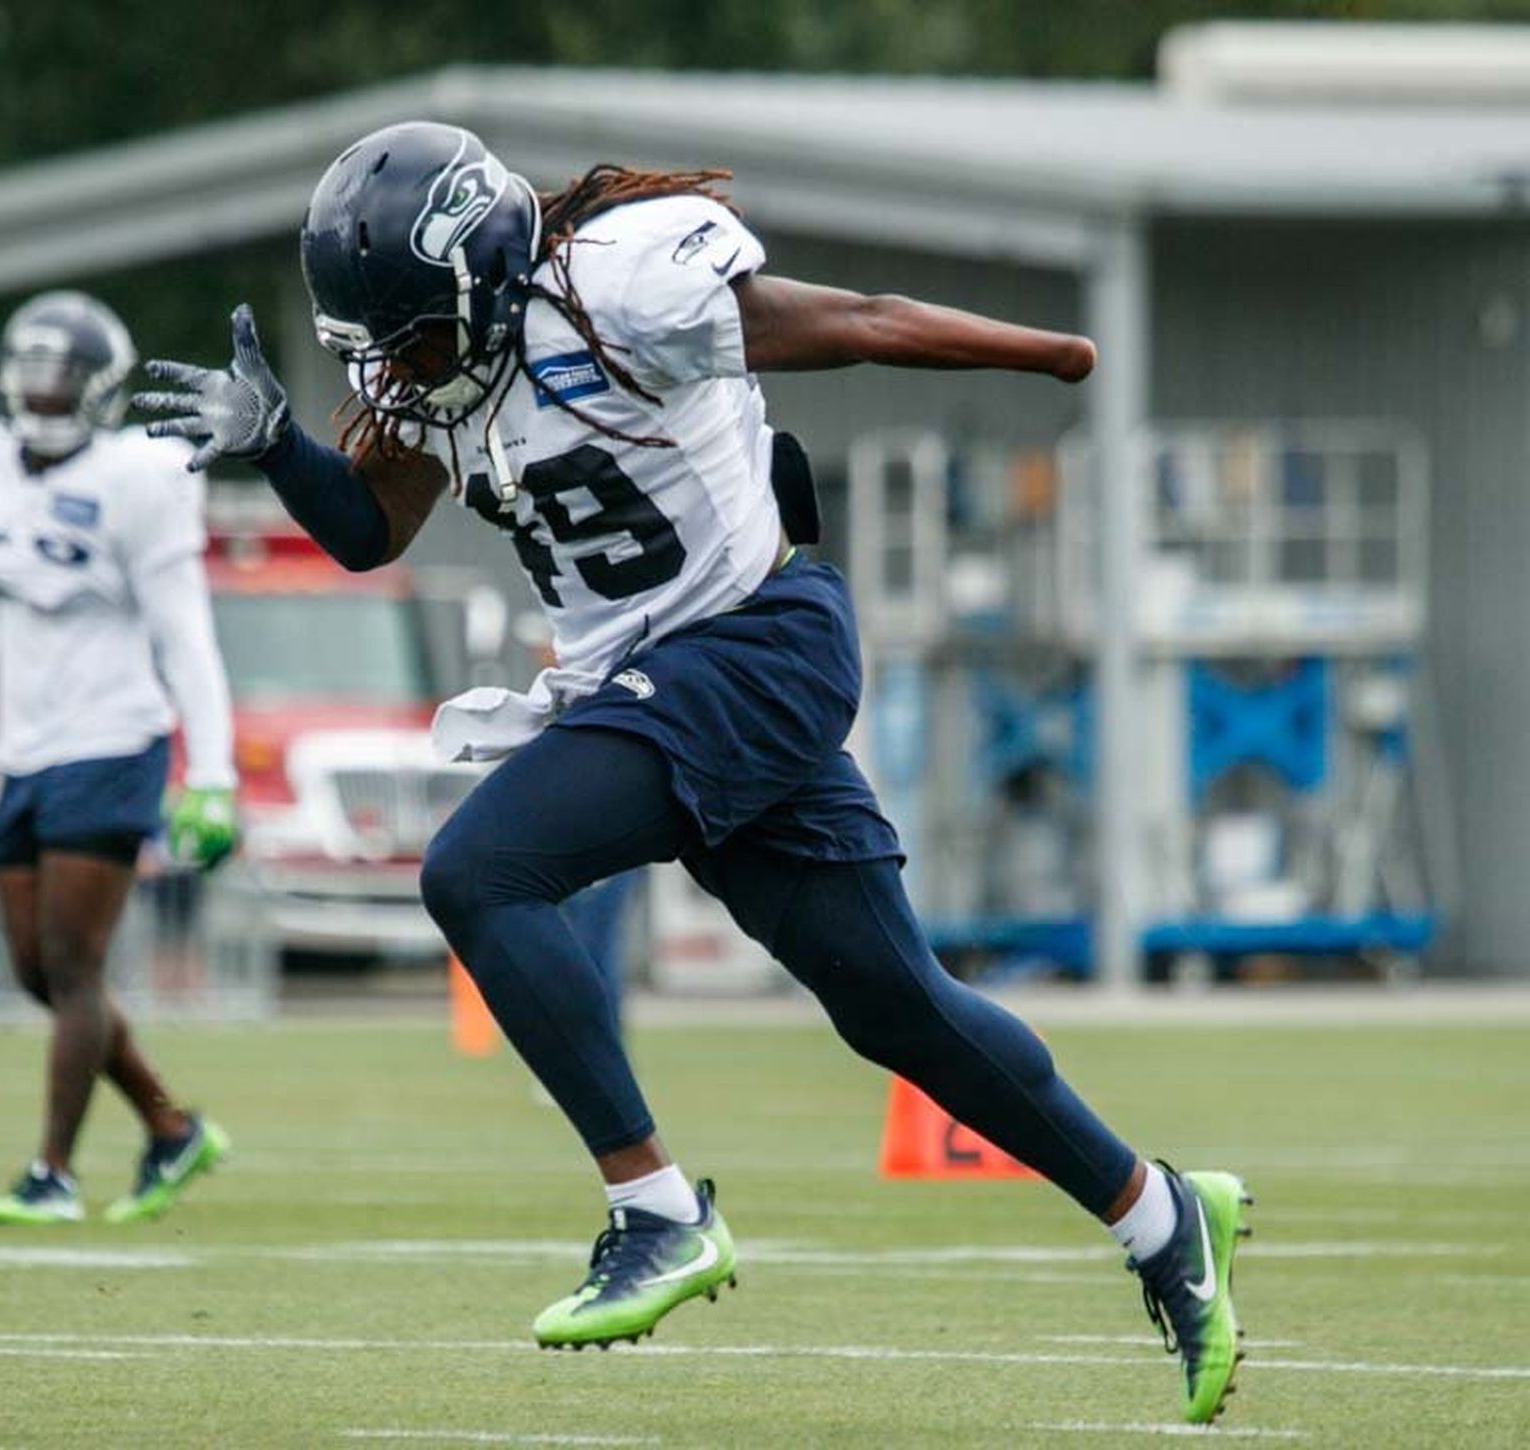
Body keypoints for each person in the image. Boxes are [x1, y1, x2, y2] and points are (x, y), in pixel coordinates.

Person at [134, 123, 1250, 1425]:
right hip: (660, 684)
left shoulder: (619, 286)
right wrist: (276, 440)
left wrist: (1053, 354)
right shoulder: (441, 370)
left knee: (480, 871)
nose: (399, 365)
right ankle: (1160, 1212)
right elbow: (369, 530)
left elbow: (866, 321)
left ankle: (655, 1207)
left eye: (416, 334)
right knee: (898, 1008)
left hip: (757, 644)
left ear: (484, 271)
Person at [0, 290, 239, 1226]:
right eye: (31, 380)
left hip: (116, 739)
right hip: (26, 751)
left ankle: (53, 1170)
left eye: (61, 384)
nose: (41, 401)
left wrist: (212, 773)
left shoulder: (146, 476)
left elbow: (185, 632)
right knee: (37, 971)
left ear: (101, 392)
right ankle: (172, 1129)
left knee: (73, 965)